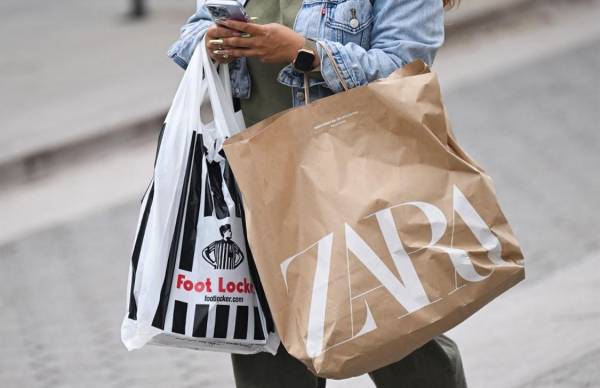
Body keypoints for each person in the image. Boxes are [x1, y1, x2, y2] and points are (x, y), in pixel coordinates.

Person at [168, 1, 467, 387]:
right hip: (257, 186)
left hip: (356, 183)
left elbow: (405, 69)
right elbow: (195, 30)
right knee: (270, 360)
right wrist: (212, 42)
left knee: (403, 346)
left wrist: (304, 52)